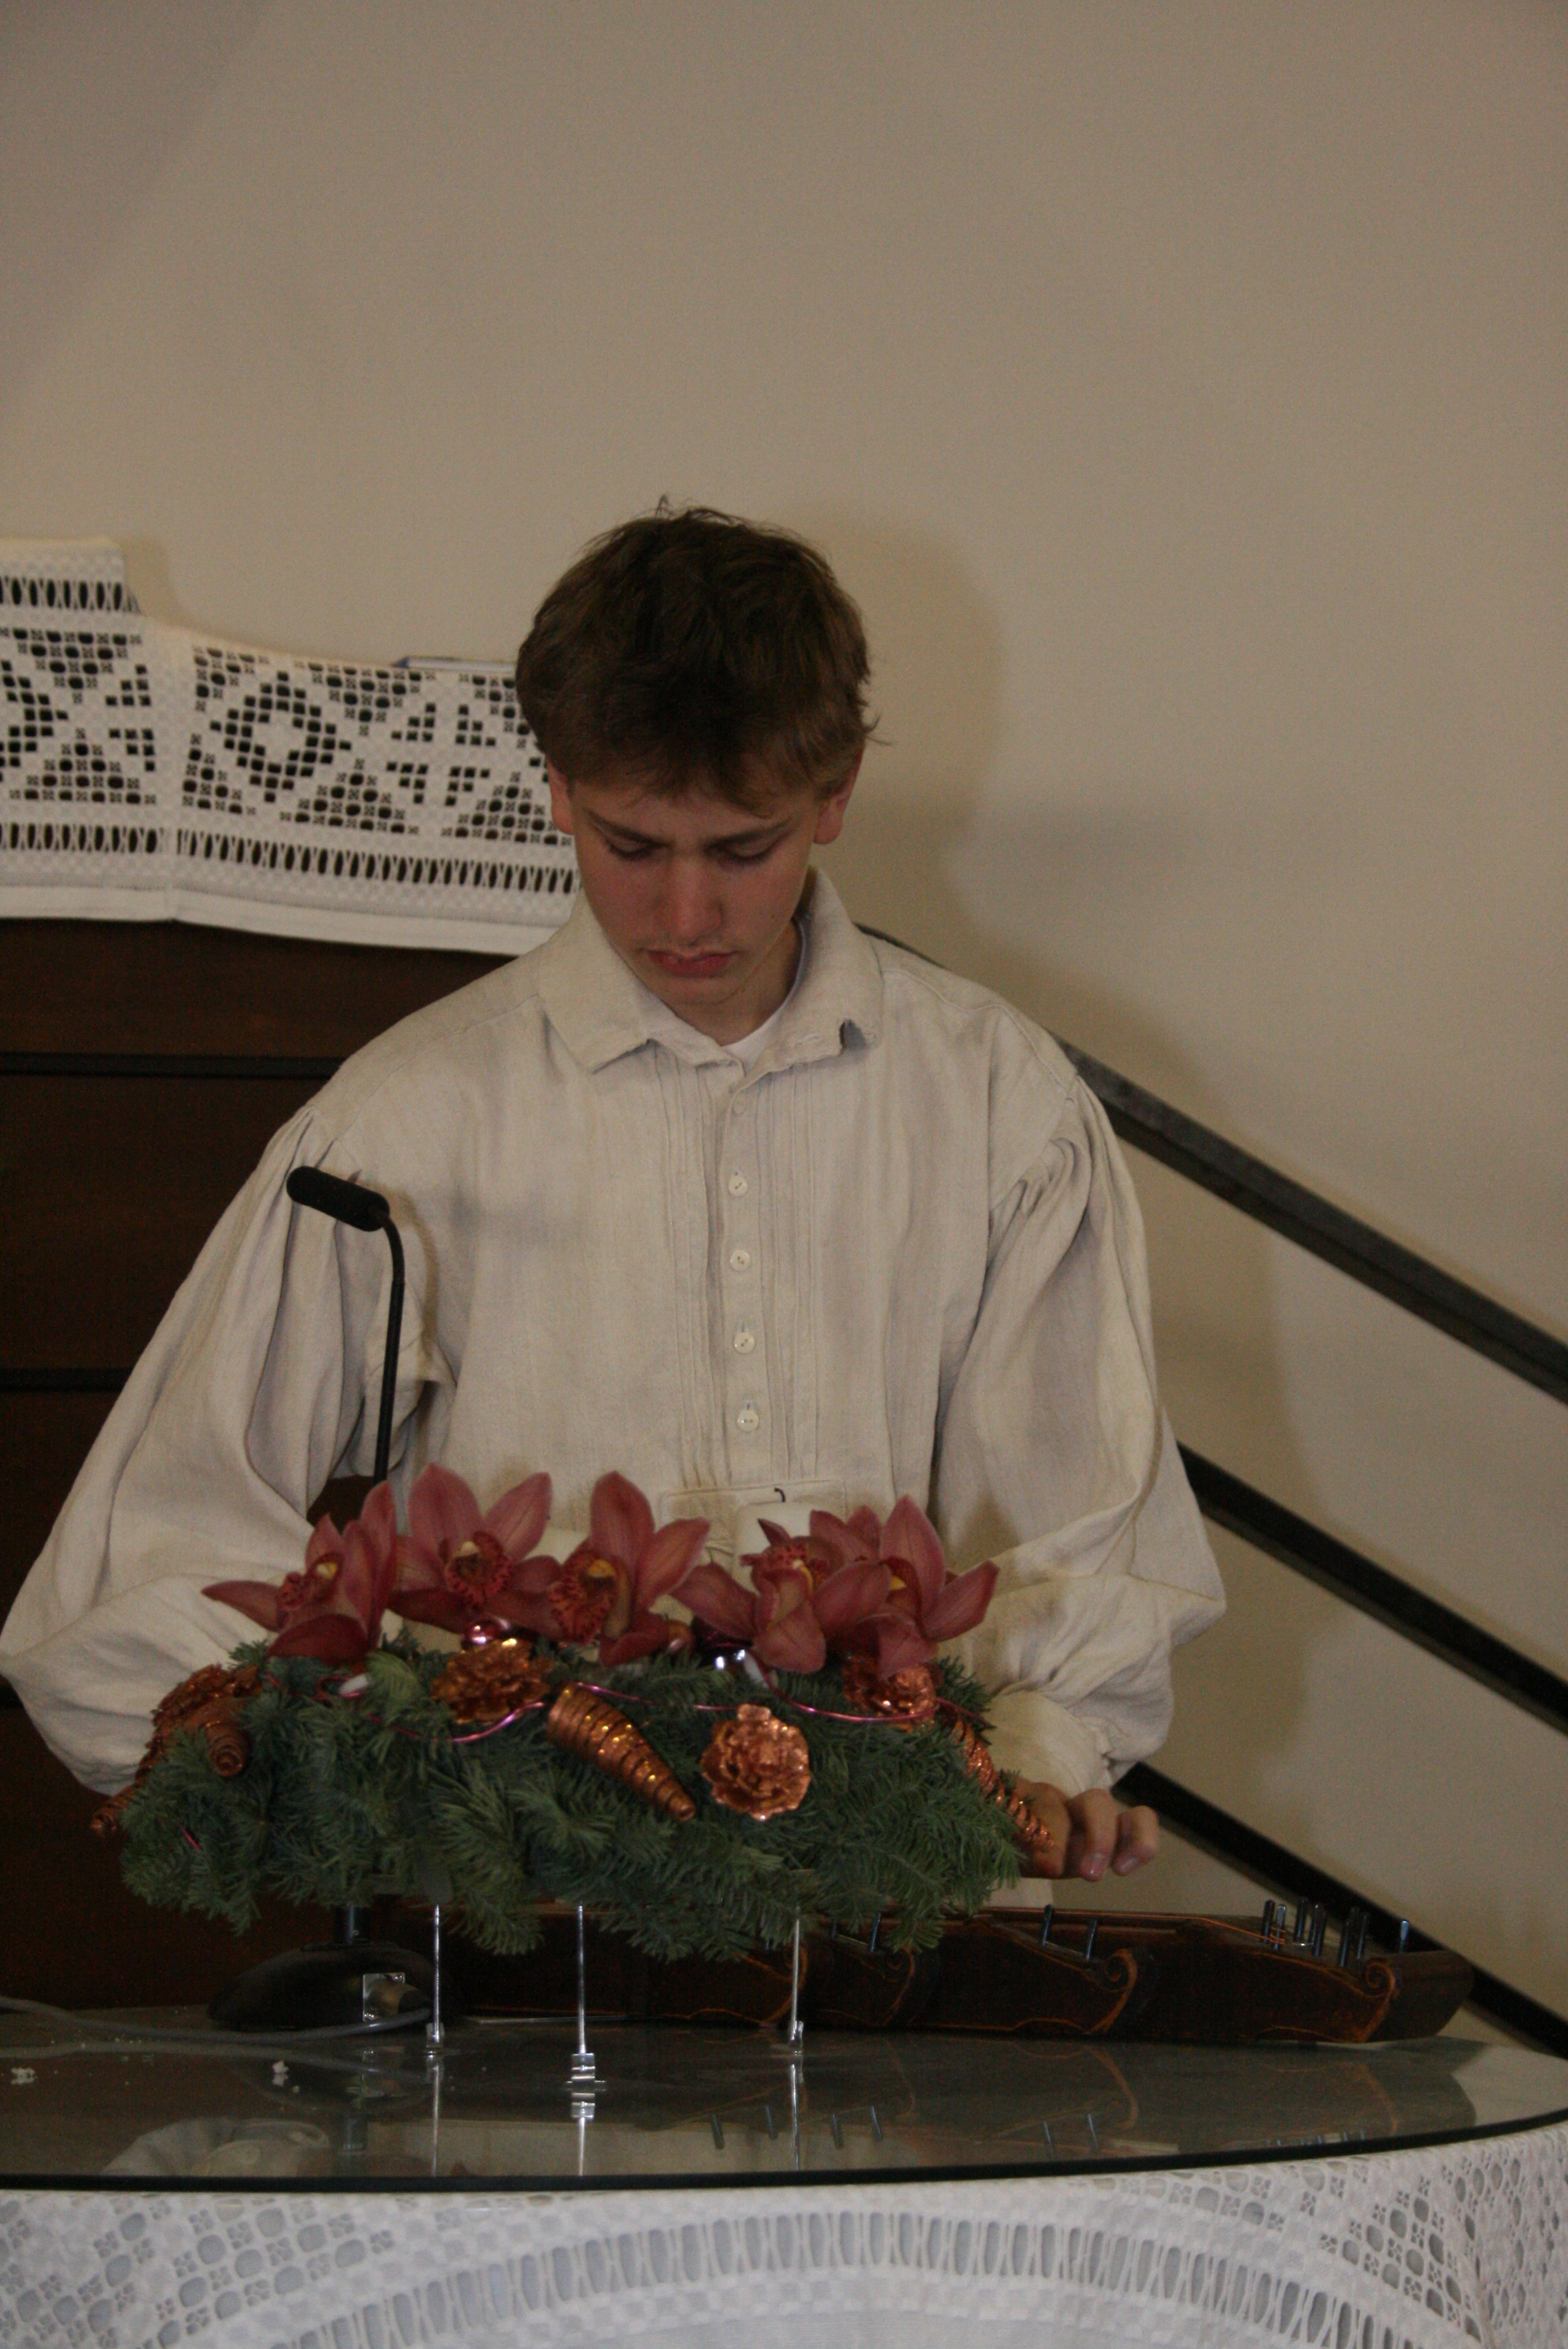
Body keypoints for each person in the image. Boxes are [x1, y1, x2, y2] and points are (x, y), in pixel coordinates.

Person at [0, 507, 1223, 1883]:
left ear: (834, 796)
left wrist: (1042, 1753)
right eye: (634, 847)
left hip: (893, 1900)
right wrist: (370, 1754)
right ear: (559, 789)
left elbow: (1078, 1534)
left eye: (742, 849)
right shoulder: (402, 1122)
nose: (686, 917)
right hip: (519, 1898)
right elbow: (147, 1552)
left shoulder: (1003, 1109)